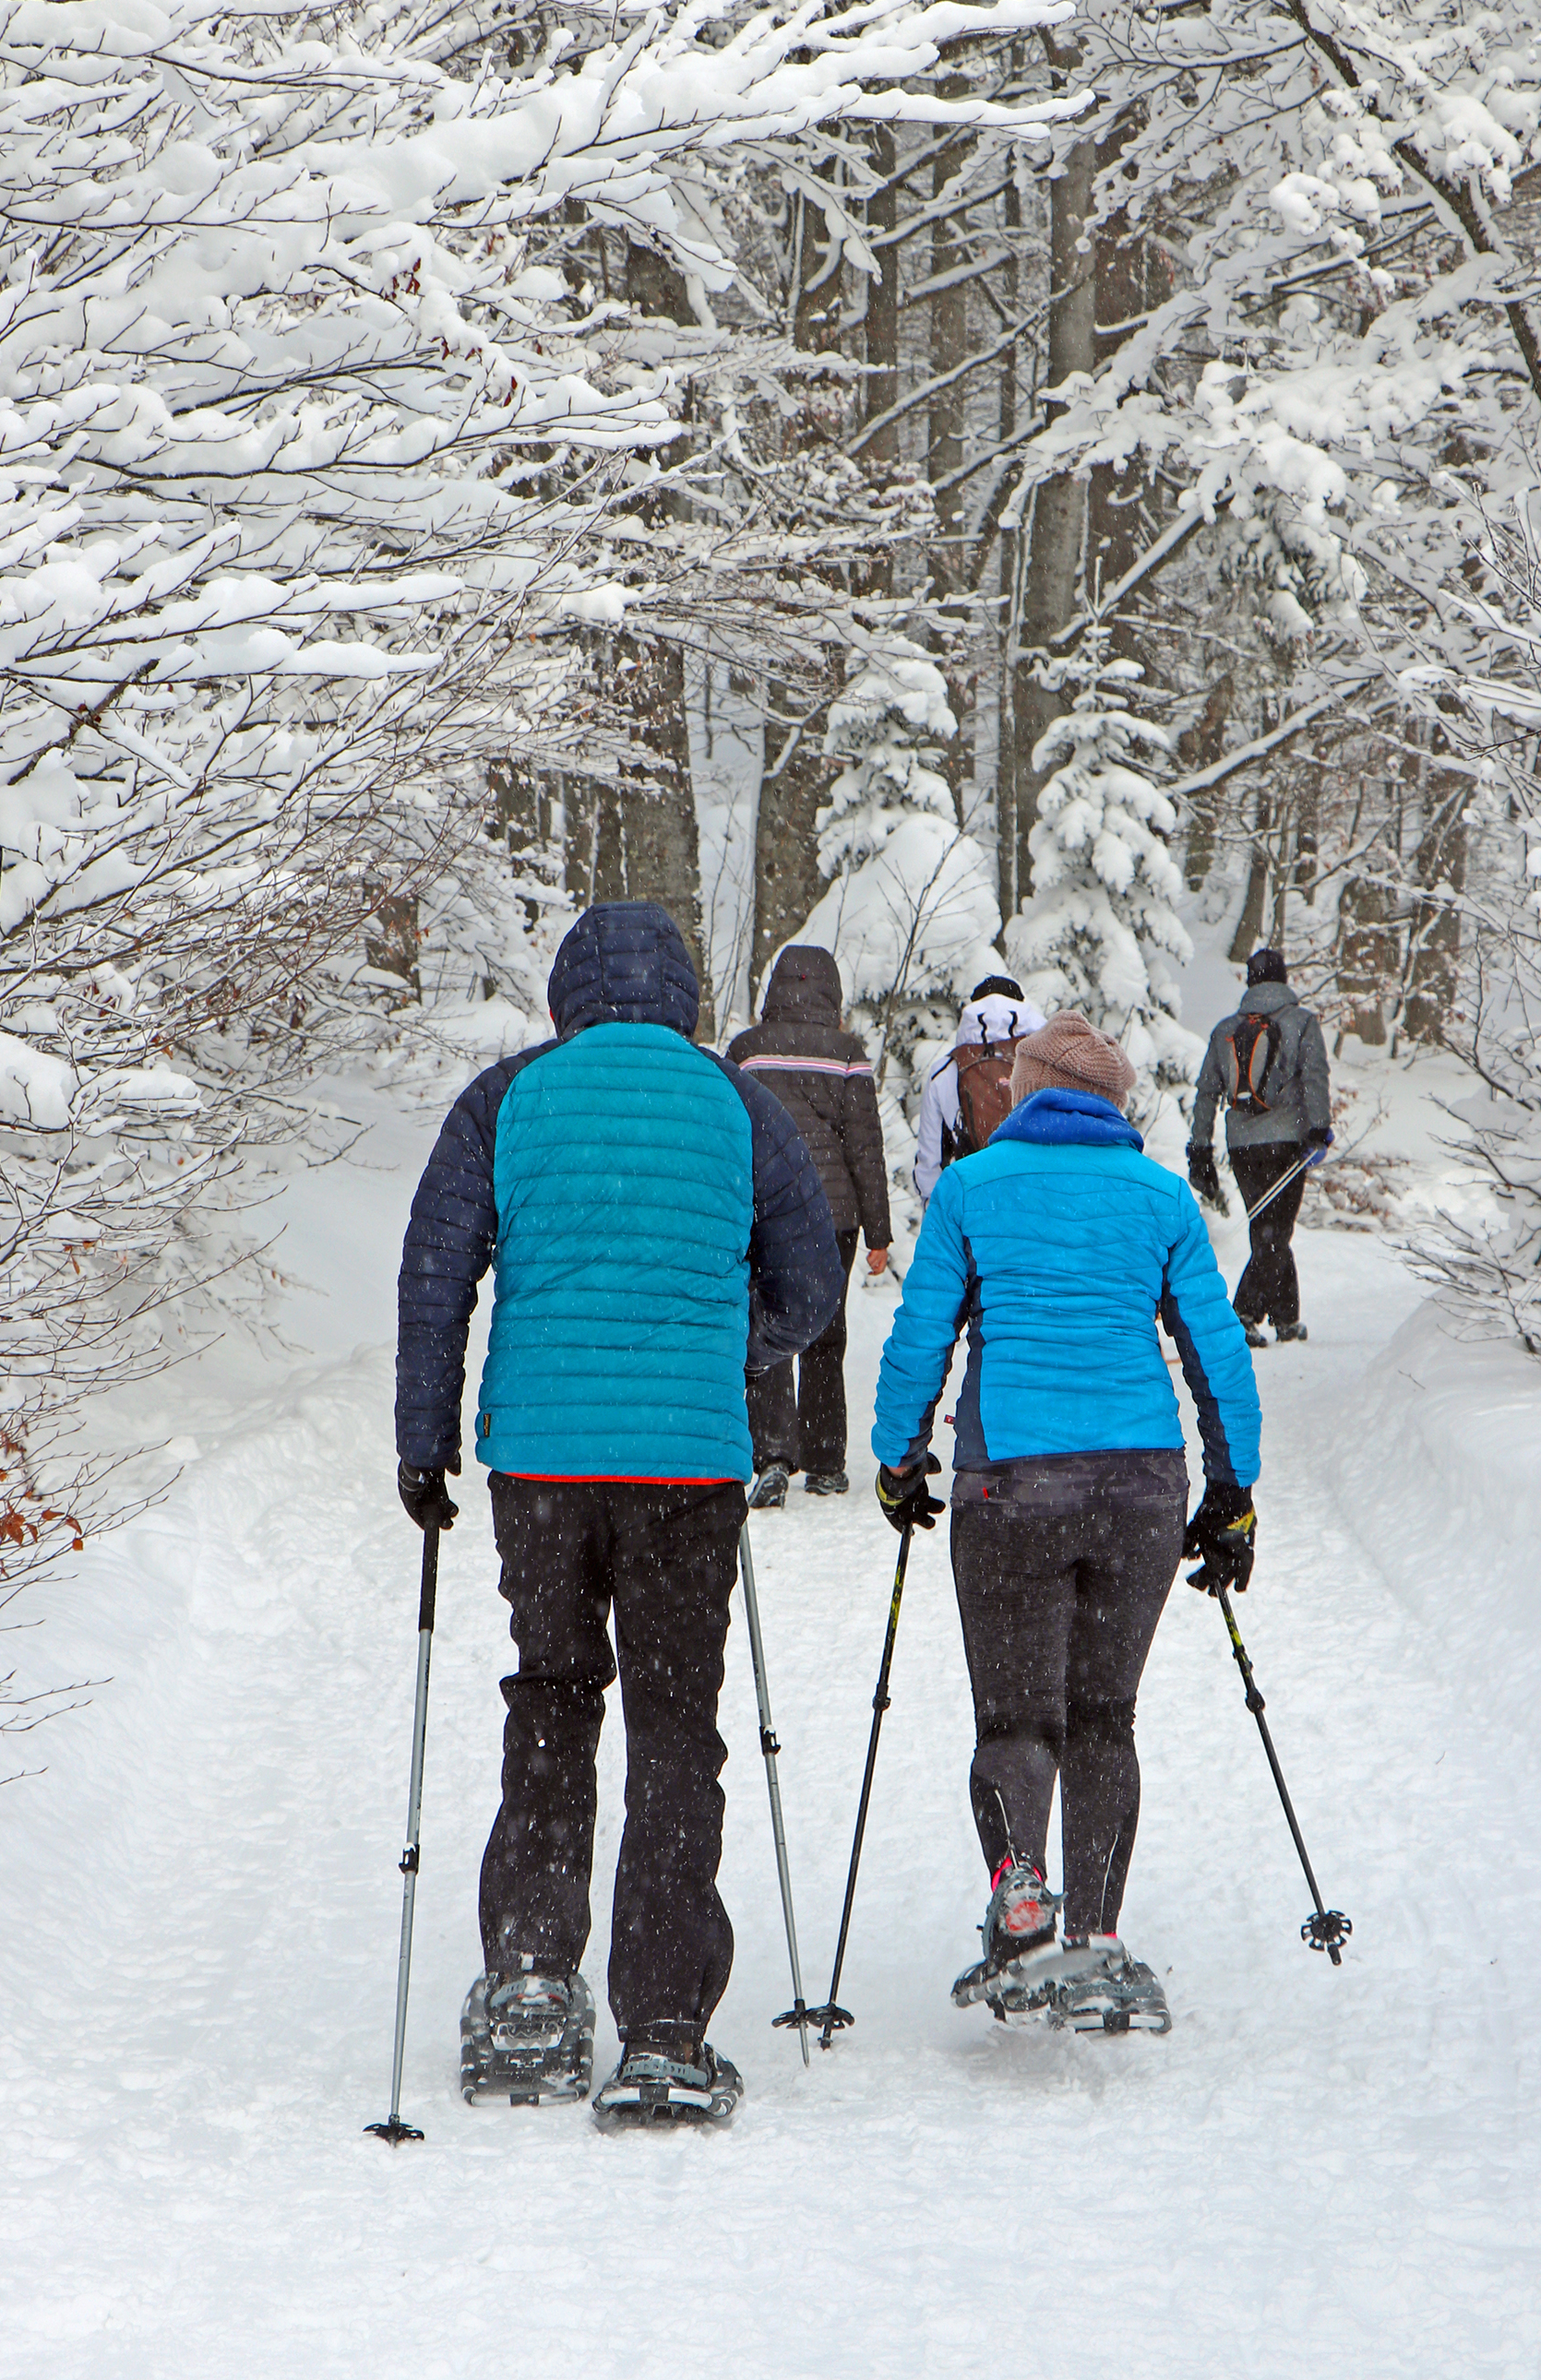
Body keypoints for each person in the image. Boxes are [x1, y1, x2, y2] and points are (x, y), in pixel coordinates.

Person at [395, 902, 842, 2128]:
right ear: (684, 996)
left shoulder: (507, 1099)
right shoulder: (735, 1102)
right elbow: (811, 1281)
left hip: (540, 1464)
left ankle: (533, 1982)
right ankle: (662, 2030)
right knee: (675, 1729)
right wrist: (719, 1352)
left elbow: (436, 1275)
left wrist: (423, 1443)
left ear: (566, 996)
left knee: (554, 1695)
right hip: (687, 1473)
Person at [871, 1008, 1261, 2035]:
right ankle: (1090, 1937)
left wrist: (897, 1460)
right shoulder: (1159, 1197)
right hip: (1139, 1489)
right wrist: (1232, 1494)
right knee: (1101, 1716)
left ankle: (1018, 1891)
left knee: (1014, 1720)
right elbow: (1215, 1351)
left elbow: (920, 1336)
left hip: (1010, 1490)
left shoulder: (970, 1188)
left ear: (1031, 1091)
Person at [727, 945, 891, 1505]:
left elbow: (728, 1132)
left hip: (763, 1204)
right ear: (832, 992)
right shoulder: (847, 1052)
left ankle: (771, 1453)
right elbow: (865, 1145)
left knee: (766, 1324)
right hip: (832, 1213)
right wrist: (878, 1232)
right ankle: (824, 1461)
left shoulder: (746, 1052)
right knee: (826, 1326)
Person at [1187, 946, 1332, 1346]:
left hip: (1243, 1145)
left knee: (1269, 1230)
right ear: (1283, 979)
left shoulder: (1225, 1030)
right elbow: (1314, 1077)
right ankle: (1243, 1315)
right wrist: (1319, 1128)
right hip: (1289, 1139)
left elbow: (1205, 1092)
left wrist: (1200, 1146)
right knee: (1274, 1232)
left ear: (1250, 982)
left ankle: (1286, 1321)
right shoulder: (1302, 1023)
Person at [914, 973, 1047, 1200]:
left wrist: (936, 1214)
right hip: (1038, 1201)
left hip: (976, 1200)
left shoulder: (946, 1070)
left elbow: (930, 1163)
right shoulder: (1046, 1060)